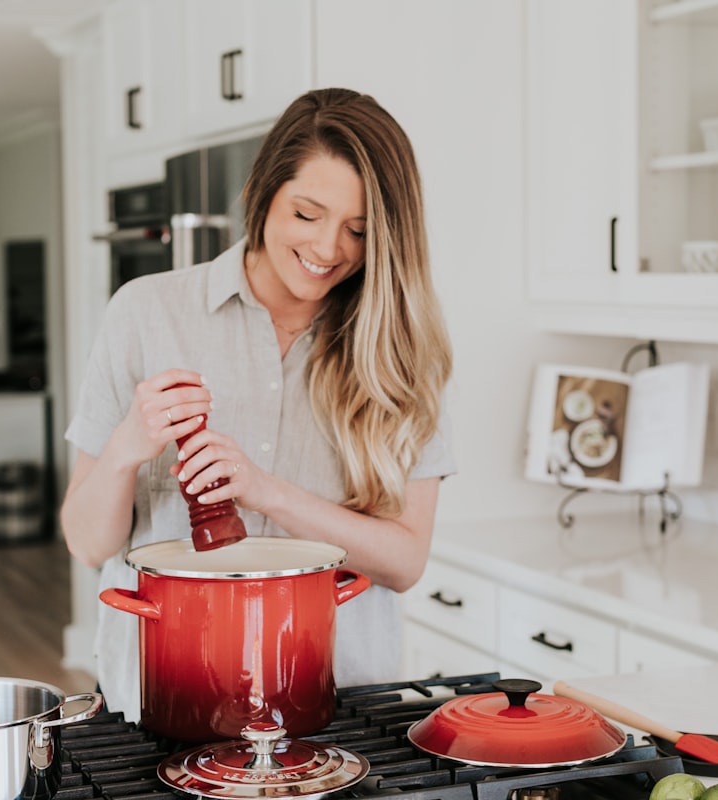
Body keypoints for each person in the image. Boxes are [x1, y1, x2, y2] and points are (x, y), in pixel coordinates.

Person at [60, 87, 455, 722]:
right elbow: (84, 541)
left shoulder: (401, 352)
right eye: (307, 214)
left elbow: (405, 562)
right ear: (263, 193)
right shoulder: (145, 311)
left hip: (338, 709)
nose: (329, 248)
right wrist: (126, 449)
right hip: (165, 705)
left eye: (359, 230)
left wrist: (264, 490)